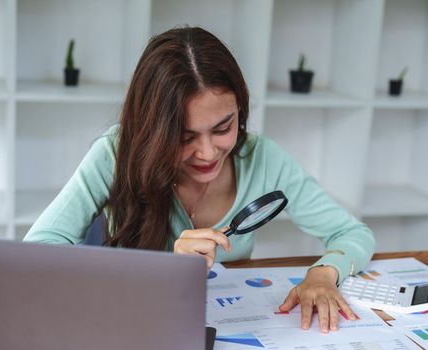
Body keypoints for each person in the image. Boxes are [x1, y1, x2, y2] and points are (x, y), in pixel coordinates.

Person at [24, 26, 375, 333]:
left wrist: (324, 273)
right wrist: (168, 271)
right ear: (153, 130)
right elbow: (37, 251)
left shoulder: (263, 158)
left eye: (224, 128)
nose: (208, 153)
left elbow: (352, 233)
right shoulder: (116, 153)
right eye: (185, 136)